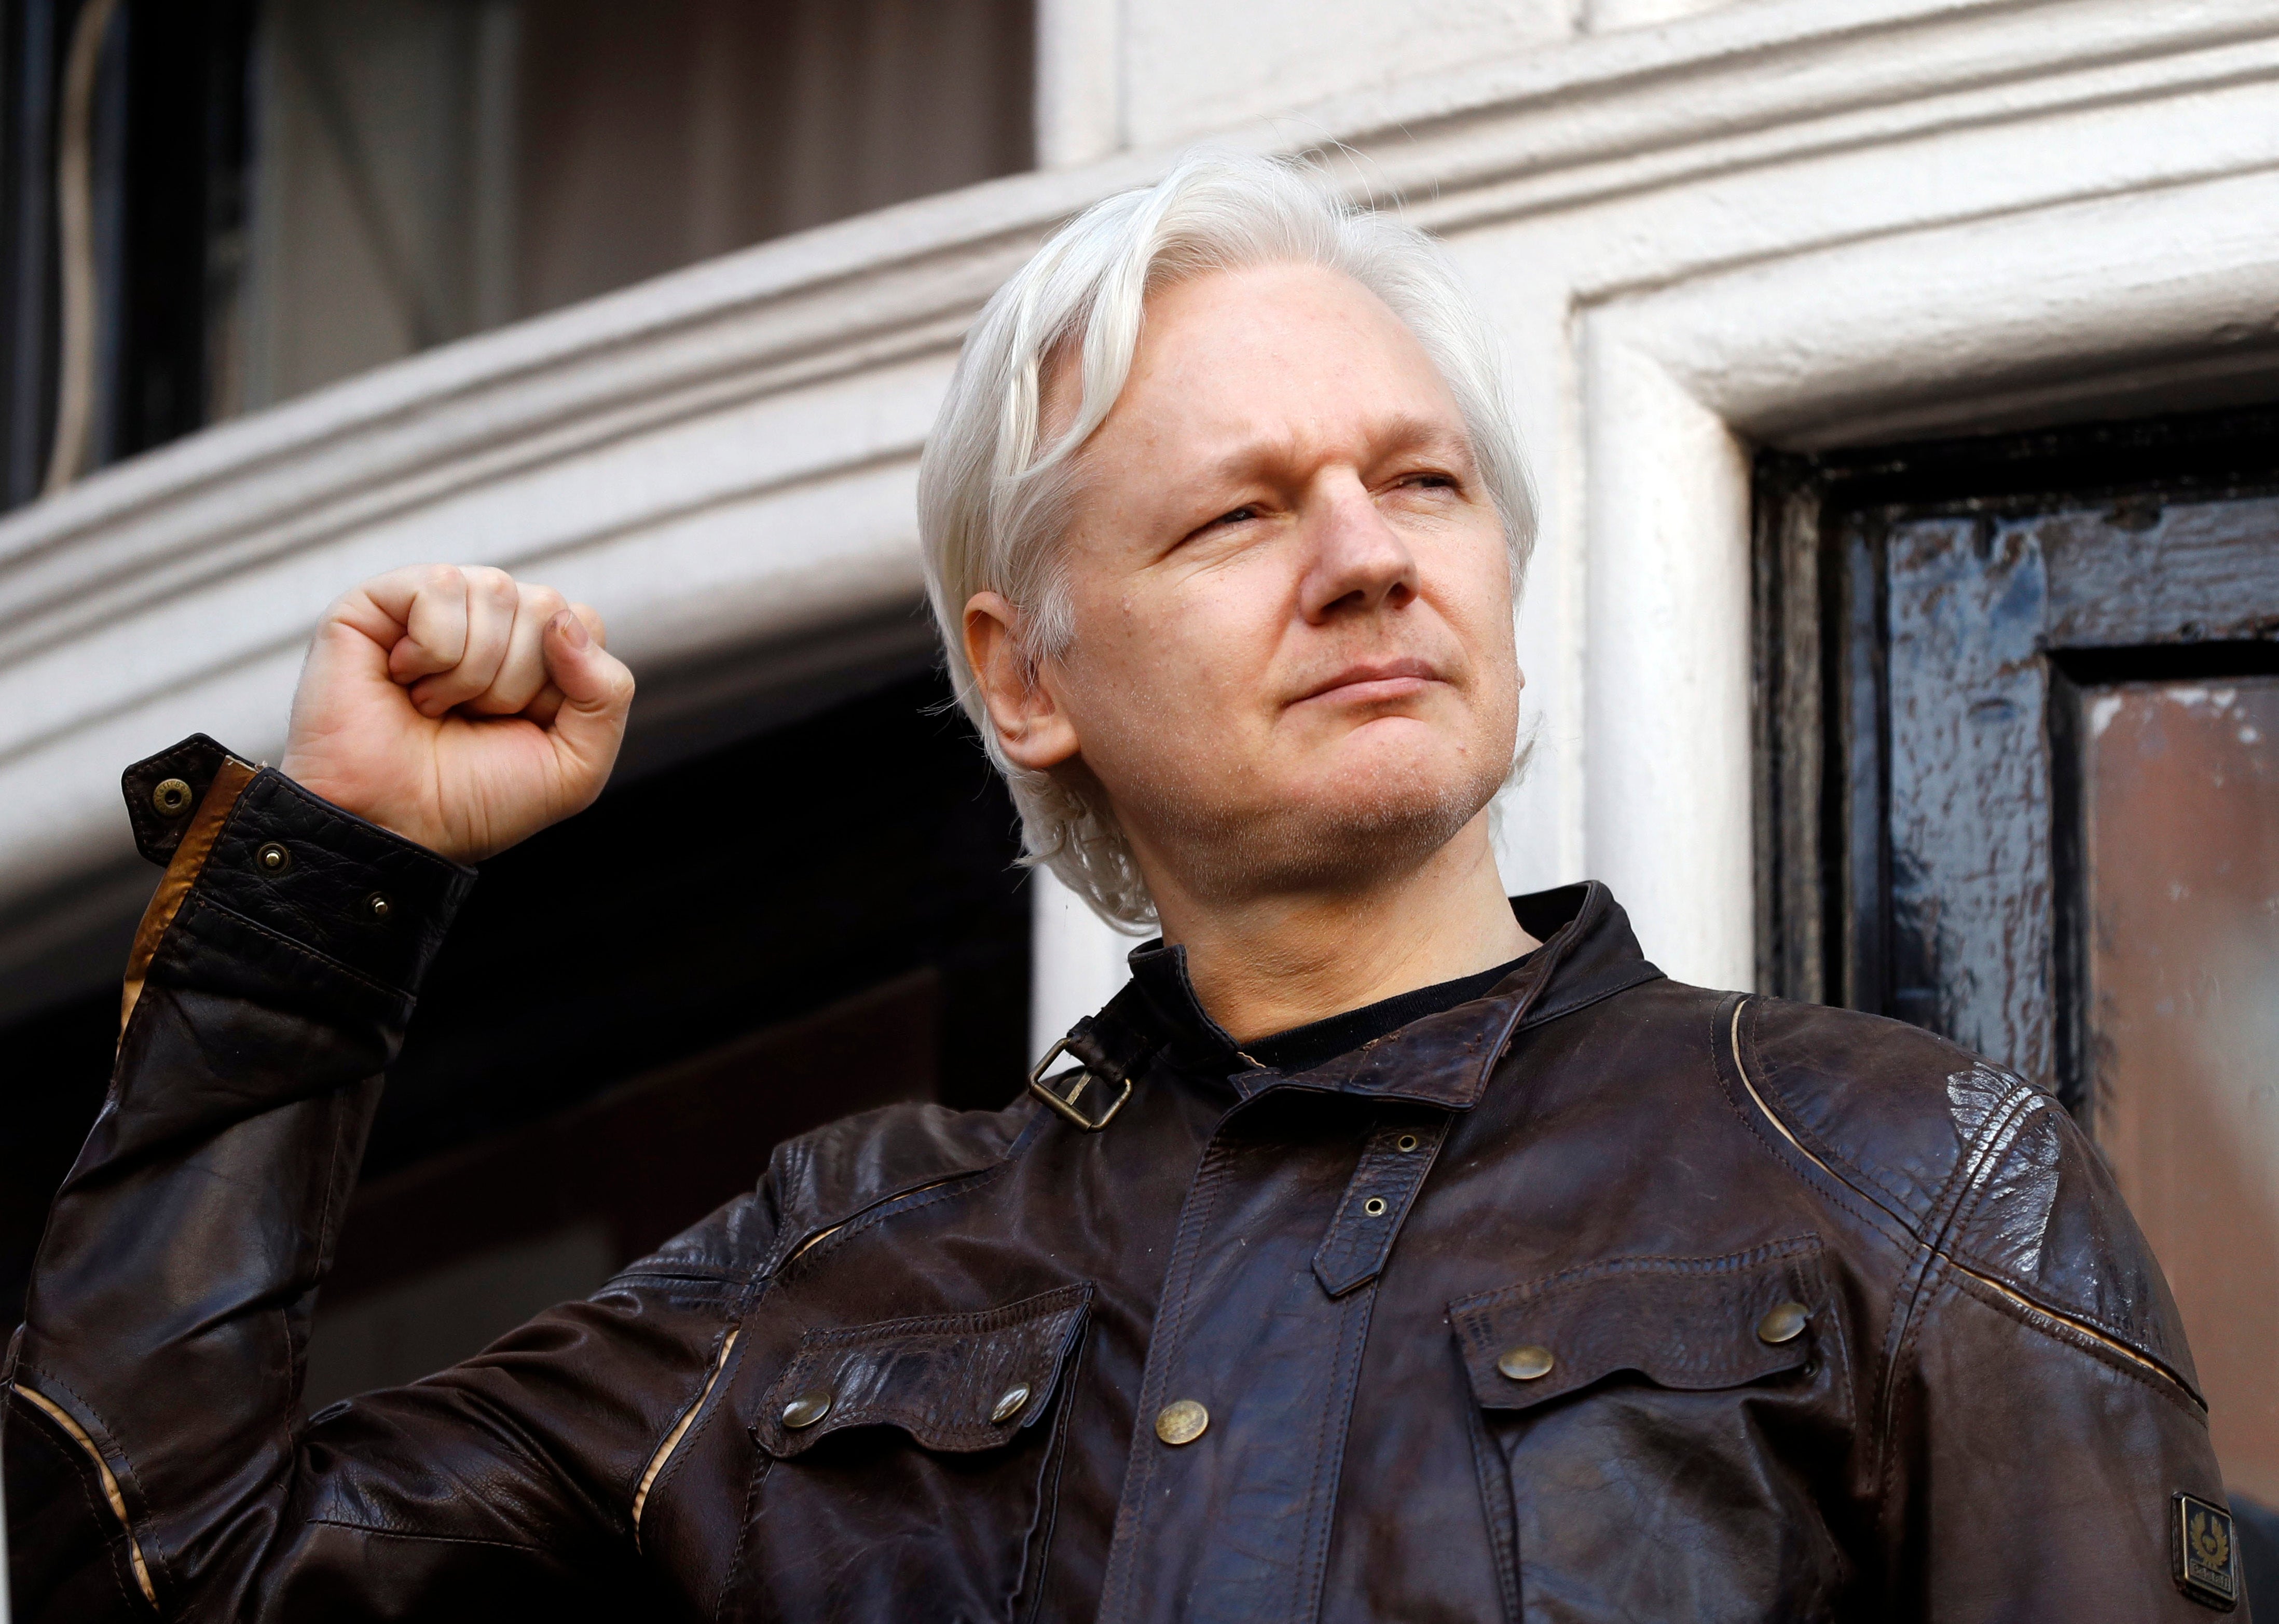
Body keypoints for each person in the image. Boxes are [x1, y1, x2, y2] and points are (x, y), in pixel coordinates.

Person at [4, 151, 2243, 1622]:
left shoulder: (1907, 1178)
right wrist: (326, 885)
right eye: (1239, 514)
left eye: (1424, 483)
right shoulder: (825, 1276)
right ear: (1025, 672)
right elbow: (153, 1571)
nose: (1370, 553)